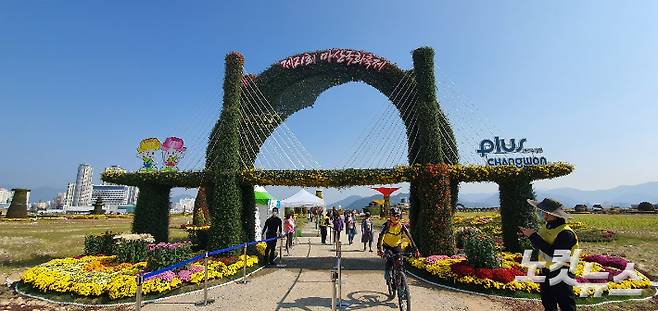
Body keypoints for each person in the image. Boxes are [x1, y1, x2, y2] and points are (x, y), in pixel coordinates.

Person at [519, 198, 579, 311]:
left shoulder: (566, 233)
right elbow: (541, 245)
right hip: (546, 271)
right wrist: (528, 235)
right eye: (543, 212)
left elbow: (555, 254)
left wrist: (533, 236)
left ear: (557, 215)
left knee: (566, 304)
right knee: (548, 302)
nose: (544, 216)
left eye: (548, 213)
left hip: (562, 272)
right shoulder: (547, 227)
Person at [377, 207, 420, 283]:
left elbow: (410, 238)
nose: (396, 217)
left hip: (396, 246)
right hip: (387, 246)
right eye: (394, 215)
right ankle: (387, 272)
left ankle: (400, 279)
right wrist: (380, 249)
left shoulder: (402, 226)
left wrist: (415, 249)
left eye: (398, 216)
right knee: (389, 259)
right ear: (390, 216)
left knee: (400, 261)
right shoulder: (386, 226)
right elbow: (381, 237)